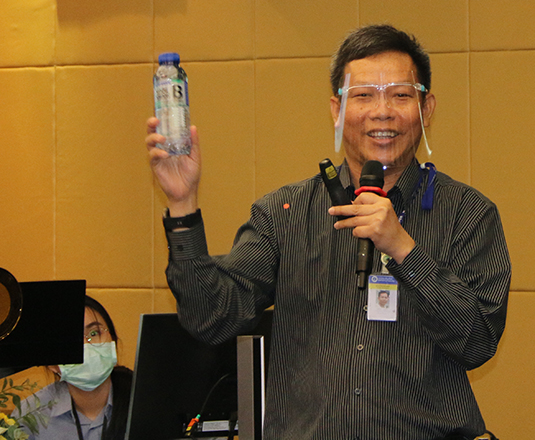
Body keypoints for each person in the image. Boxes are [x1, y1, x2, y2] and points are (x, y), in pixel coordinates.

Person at [146, 24, 512, 439]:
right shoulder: (285, 214)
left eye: (400, 95)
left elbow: (477, 342)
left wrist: (404, 250)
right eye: (364, 95)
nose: (382, 111)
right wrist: (182, 205)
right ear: (337, 110)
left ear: (426, 109)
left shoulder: (468, 213)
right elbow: (211, 318)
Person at [13, 296, 132, 440]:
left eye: (94, 333)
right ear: (52, 364)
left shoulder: (144, 400)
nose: (86, 346)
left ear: (112, 341)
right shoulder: (28, 417)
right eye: (72, 339)